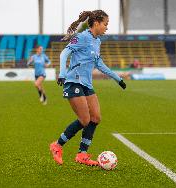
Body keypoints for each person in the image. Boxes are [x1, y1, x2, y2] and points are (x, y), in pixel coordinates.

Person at [49, 10, 126, 166]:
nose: (106, 27)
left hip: (87, 84)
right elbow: (64, 54)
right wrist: (62, 73)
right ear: (96, 23)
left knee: (95, 118)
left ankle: (82, 155)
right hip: (73, 82)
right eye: (105, 24)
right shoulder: (82, 37)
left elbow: (99, 64)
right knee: (84, 120)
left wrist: (118, 79)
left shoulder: (97, 41)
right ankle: (57, 145)